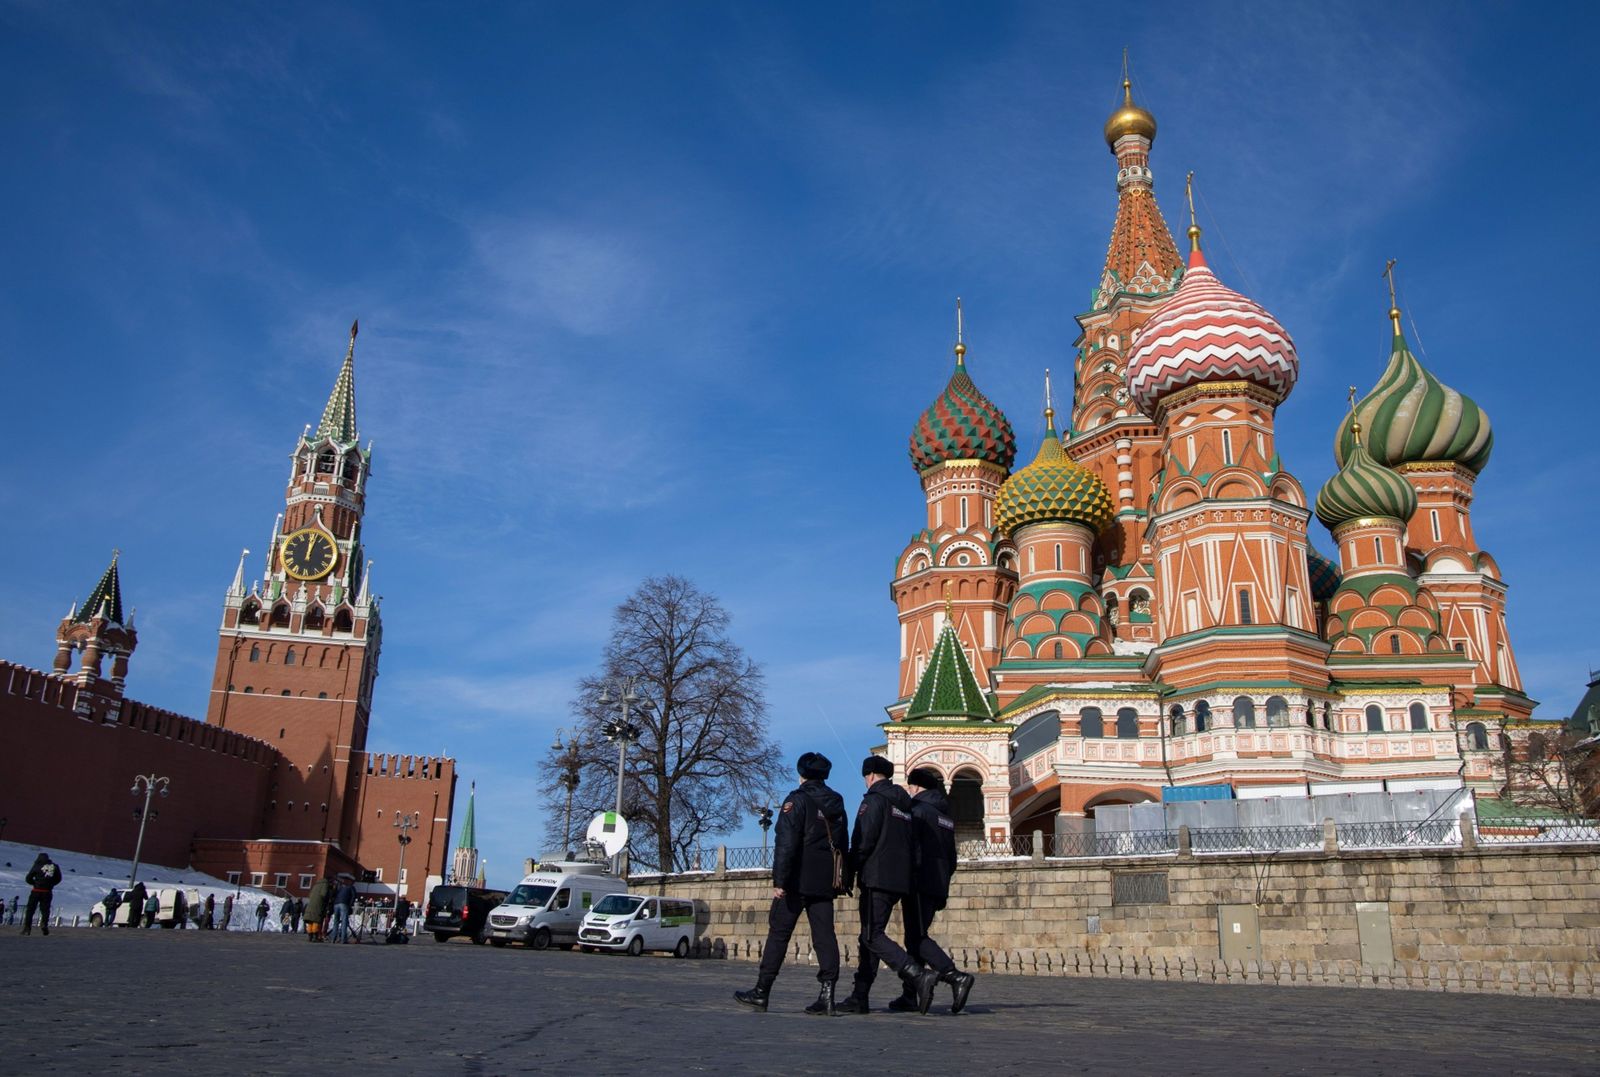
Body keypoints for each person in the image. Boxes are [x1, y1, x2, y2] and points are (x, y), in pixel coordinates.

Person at [734, 752, 850, 1015]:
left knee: (779, 932)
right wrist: (842, 878)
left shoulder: (796, 801)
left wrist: (780, 880)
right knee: (824, 935)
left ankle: (762, 991)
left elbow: (786, 844)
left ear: (802, 774)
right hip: (825, 879)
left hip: (797, 878)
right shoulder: (836, 801)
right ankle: (828, 993)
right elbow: (843, 843)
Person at [836, 756, 939, 1016]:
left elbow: (863, 841)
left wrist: (851, 869)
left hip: (876, 877)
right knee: (869, 936)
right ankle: (860, 996)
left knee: (872, 935)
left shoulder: (873, 800)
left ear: (869, 775)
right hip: (900, 880)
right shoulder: (906, 805)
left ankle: (917, 975)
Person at [887, 767, 976, 1014]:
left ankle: (953, 975)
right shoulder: (945, 817)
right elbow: (952, 858)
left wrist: (905, 876)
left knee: (916, 936)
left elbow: (911, 849)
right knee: (916, 935)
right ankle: (910, 994)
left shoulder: (917, 811)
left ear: (916, 788)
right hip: (937, 884)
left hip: (918, 882)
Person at [22, 853, 62, 935]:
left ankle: (27, 928)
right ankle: (44, 925)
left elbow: (28, 878)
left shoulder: (37, 865)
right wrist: (51, 884)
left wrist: (34, 883)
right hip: (47, 892)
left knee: (30, 910)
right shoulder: (54, 866)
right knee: (45, 910)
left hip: (36, 890)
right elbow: (59, 878)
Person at [330, 877, 358, 943]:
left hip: (336, 904)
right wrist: (350, 905)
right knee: (344, 922)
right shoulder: (351, 888)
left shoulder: (341, 888)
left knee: (336, 922)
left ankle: (333, 938)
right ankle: (343, 939)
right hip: (344, 904)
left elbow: (335, 895)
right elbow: (353, 896)